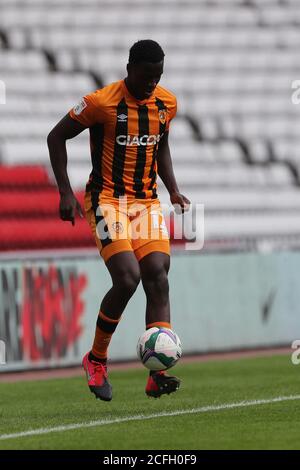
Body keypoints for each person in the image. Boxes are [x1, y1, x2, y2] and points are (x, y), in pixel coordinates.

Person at [47, 39, 190, 401]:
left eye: (157, 77)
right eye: (146, 75)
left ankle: (157, 374)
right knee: (128, 278)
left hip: (145, 202)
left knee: (157, 275)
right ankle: (96, 360)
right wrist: (65, 191)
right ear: (129, 69)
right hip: (107, 200)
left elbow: (162, 146)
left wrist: (172, 189)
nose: (151, 84)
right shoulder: (101, 102)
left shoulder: (166, 103)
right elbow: (56, 136)